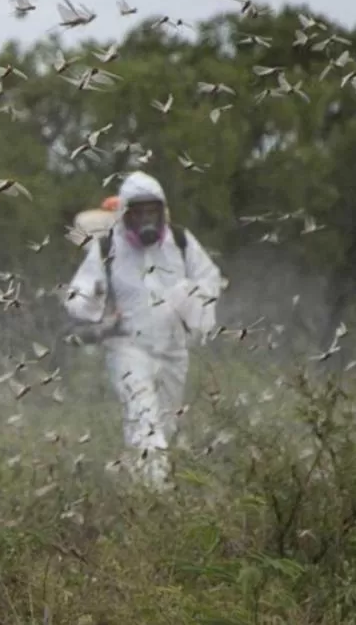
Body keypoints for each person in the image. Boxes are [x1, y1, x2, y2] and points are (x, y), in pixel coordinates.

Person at [62, 171, 223, 489]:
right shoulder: (107, 246)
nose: (147, 218)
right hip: (128, 347)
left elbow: (210, 279)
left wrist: (190, 298)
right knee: (144, 424)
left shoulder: (180, 241)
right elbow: (75, 296)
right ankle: (159, 501)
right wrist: (94, 294)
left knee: (165, 428)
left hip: (175, 349)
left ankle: (138, 495)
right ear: (125, 214)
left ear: (162, 211)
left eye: (153, 210)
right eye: (139, 211)